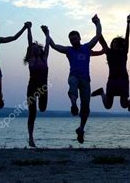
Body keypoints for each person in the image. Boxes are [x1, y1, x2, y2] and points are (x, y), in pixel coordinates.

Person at [43, 15, 102, 143]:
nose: (73, 41)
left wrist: (97, 22)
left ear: (79, 38)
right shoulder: (68, 50)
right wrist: (47, 33)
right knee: (72, 84)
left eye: (75, 38)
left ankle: (81, 129)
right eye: (71, 39)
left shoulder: (86, 47)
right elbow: (53, 45)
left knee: (86, 107)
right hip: (74, 76)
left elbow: (98, 36)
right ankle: (74, 104)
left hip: (86, 79)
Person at [91, 16, 130, 111]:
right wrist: (96, 24)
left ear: (120, 44)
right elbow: (100, 38)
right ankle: (101, 92)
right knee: (107, 106)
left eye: (116, 42)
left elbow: (127, 38)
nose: (114, 44)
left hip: (123, 80)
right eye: (113, 42)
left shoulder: (124, 52)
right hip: (112, 80)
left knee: (124, 105)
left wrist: (128, 23)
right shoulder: (109, 52)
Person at [25, 23, 50, 147]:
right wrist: (29, 29)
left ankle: (31, 137)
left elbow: (48, 44)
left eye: (37, 47)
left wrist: (47, 33)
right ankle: (30, 138)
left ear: (40, 49)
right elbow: (29, 42)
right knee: (32, 113)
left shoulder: (45, 58)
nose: (35, 48)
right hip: (32, 88)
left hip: (43, 88)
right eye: (33, 47)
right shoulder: (31, 59)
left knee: (43, 109)